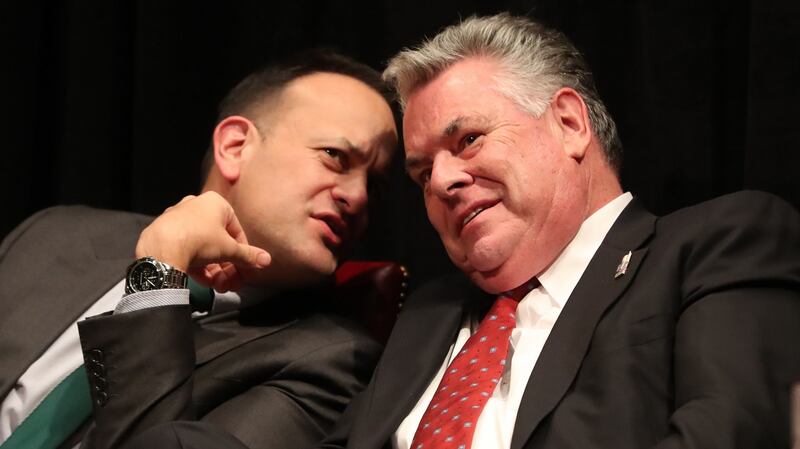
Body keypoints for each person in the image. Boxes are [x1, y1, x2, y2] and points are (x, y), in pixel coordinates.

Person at [317, 13, 800, 449]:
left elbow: (736, 431)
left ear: (568, 123)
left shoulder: (720, 244)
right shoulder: (428, 311)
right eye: (423, 174)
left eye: (468, 140)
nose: (441, 182)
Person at [0, 51, 398, 449]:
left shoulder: (335, 364)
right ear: (235, 146)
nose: (358, 197)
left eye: (375, 185)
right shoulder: (56, 233)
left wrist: (159, 275)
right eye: (335, 156)